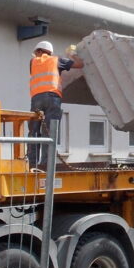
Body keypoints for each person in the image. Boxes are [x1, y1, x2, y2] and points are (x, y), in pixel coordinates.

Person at [28, 40, 83, 171]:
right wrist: (72, 54)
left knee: (33, 132)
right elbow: (80, 64)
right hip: (53, 98)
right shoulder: (57, 60)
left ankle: (32, 164)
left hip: (36, 99)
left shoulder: (32, 62)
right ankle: (46, 164)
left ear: (40, 51)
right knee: (49, 132)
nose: (35, 55)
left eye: (36, 52)